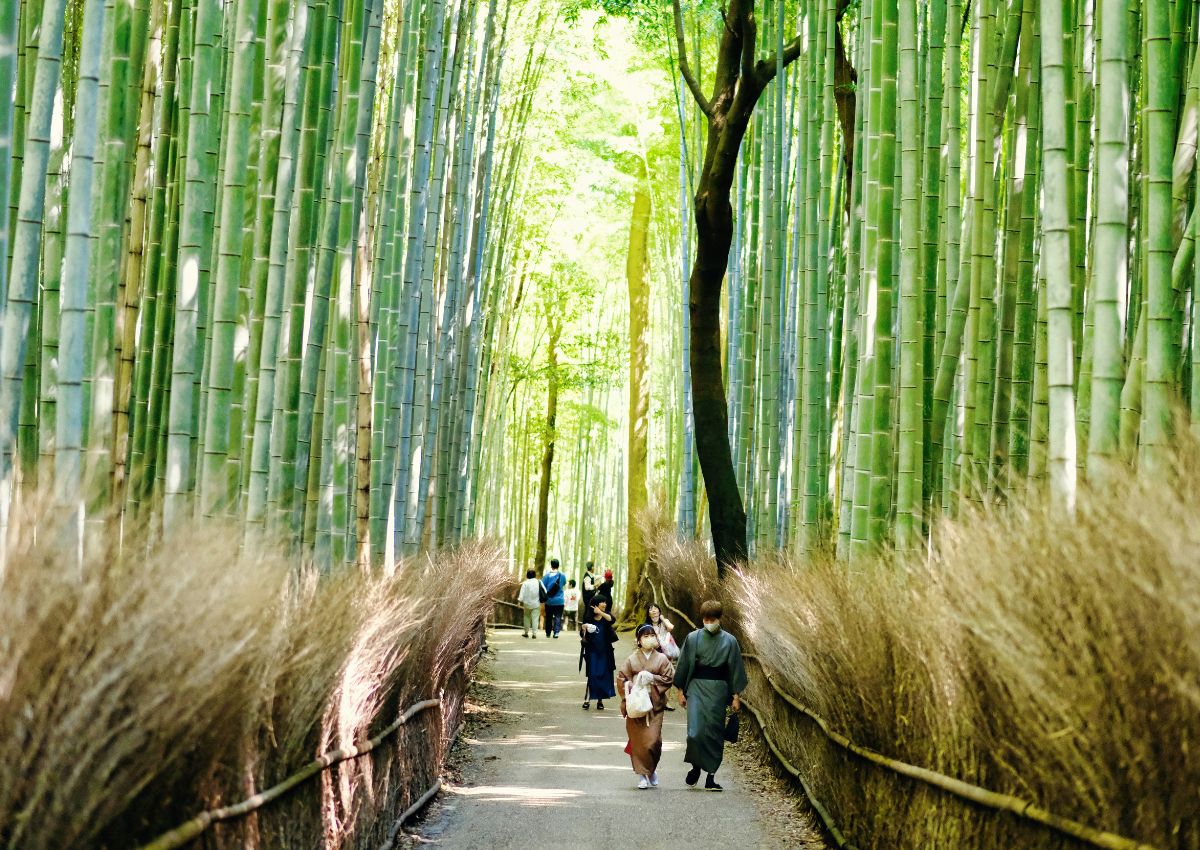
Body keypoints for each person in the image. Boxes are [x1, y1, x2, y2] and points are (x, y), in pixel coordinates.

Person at [674, 599, 747, 791]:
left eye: (712, 619)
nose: (709, 622)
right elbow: (683, 665)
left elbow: (735, 669)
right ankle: (696, 766)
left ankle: (711, 776)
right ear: (702, 618)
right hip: (696, 687)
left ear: (719, 619)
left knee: (715, 733)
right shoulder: (693, 638)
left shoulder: (730, 641)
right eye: (706, 619)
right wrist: (680, 690)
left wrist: (736, 695)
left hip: (719, 690)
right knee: (695, 732)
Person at [617, 624, 675, 789]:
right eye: (645, 636)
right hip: (636, 704)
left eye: (652, 635)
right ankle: (641, 775)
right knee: (638, 742)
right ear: (639, 640)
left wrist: (652, 678)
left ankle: (651, 769)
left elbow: (669, 677)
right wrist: (631, 685)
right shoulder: (631, 659)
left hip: (654, 705)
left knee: (653, 741)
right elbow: (621, 678)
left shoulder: (662, 659)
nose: (649, 639)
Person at [578, 598, 617, 710]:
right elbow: (582, 634)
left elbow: (612, 620)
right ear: (595, 604)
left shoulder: (606, 616)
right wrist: (583, 628)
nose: (604, 603)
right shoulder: (589, 617)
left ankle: (600, 701)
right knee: (592, 675)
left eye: (605, 602)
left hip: (605, 651)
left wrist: (600, 612)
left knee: (604, 675)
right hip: (592, 651)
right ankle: (587, 699)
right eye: (602, 602)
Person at [542, 559, 566, 638]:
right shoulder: (562, 575)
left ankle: (548, 633)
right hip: (560, 601)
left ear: (551, 566)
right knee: (558, 617)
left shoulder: (546, 576)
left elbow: (543, 587)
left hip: (549, 601)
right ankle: (556, 633)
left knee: (548, 617)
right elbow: (564, 583)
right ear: (558, 566)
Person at [517, 569, 542, 638]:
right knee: (535, 619)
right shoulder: (538, 582)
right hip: (536, 603)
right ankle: (534, 634)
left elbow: (522, 593)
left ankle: (526, 632)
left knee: (526, 617)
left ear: (527, 575)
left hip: (527, 604)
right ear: (535, 575)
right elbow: (544, 591)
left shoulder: (525, 583)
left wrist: (519, 602)